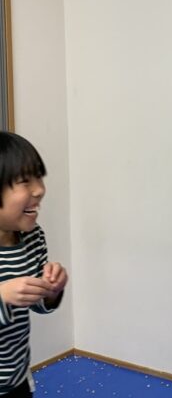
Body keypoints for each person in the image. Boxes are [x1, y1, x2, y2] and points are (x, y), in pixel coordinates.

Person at [0, 132, 69, 398]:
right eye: (24, 181)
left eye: (38, 177)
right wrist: (3, 296)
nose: (39, 189)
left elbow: (38, 305)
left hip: (17, 376)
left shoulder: (33, 236)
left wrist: (51, 290)